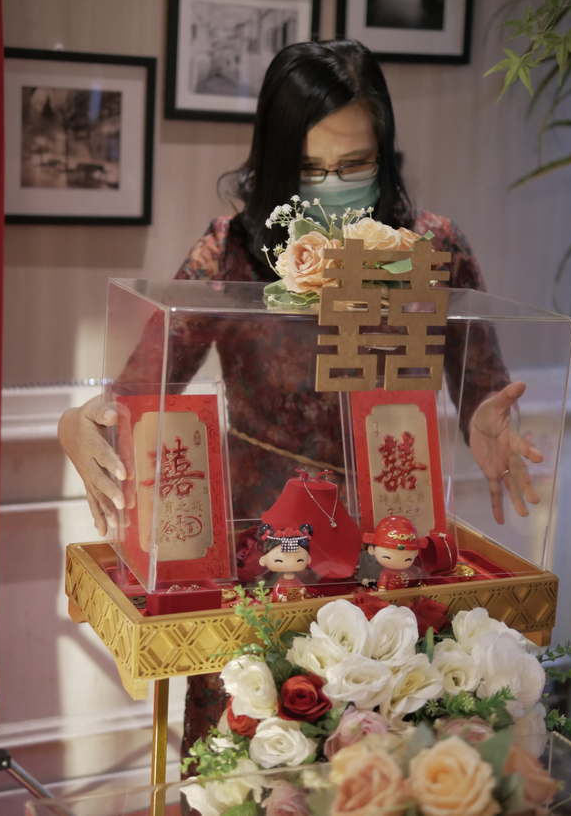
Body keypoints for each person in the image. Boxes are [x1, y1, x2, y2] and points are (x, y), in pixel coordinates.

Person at [58, 38, 543, 762]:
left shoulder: (431, 248)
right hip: (263, 563)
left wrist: (483, 419)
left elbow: (482, 390)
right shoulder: (230, 255)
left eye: (355, 164)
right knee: (247, 773)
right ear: (278, 163)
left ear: (385, 151)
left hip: (392, 560)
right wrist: (76, 421)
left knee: (377, 775)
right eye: (311, 168)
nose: (334, 184)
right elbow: (135, 393)